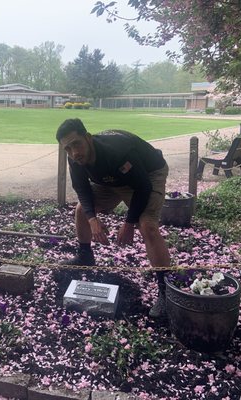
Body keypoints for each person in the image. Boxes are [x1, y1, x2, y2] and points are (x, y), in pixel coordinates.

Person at [56, 118, 171, 318]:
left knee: (147, 226)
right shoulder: (75, 159)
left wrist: (128, 223)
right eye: (67, 148)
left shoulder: (117, 151)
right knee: (81, 210)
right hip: (110, 179)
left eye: (77, 144)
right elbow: (81, 189)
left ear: (88, 137)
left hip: (147, 174)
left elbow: (143, 187)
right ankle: (85, 256)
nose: (74, 152)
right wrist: (92, 220)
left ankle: (166, 290)